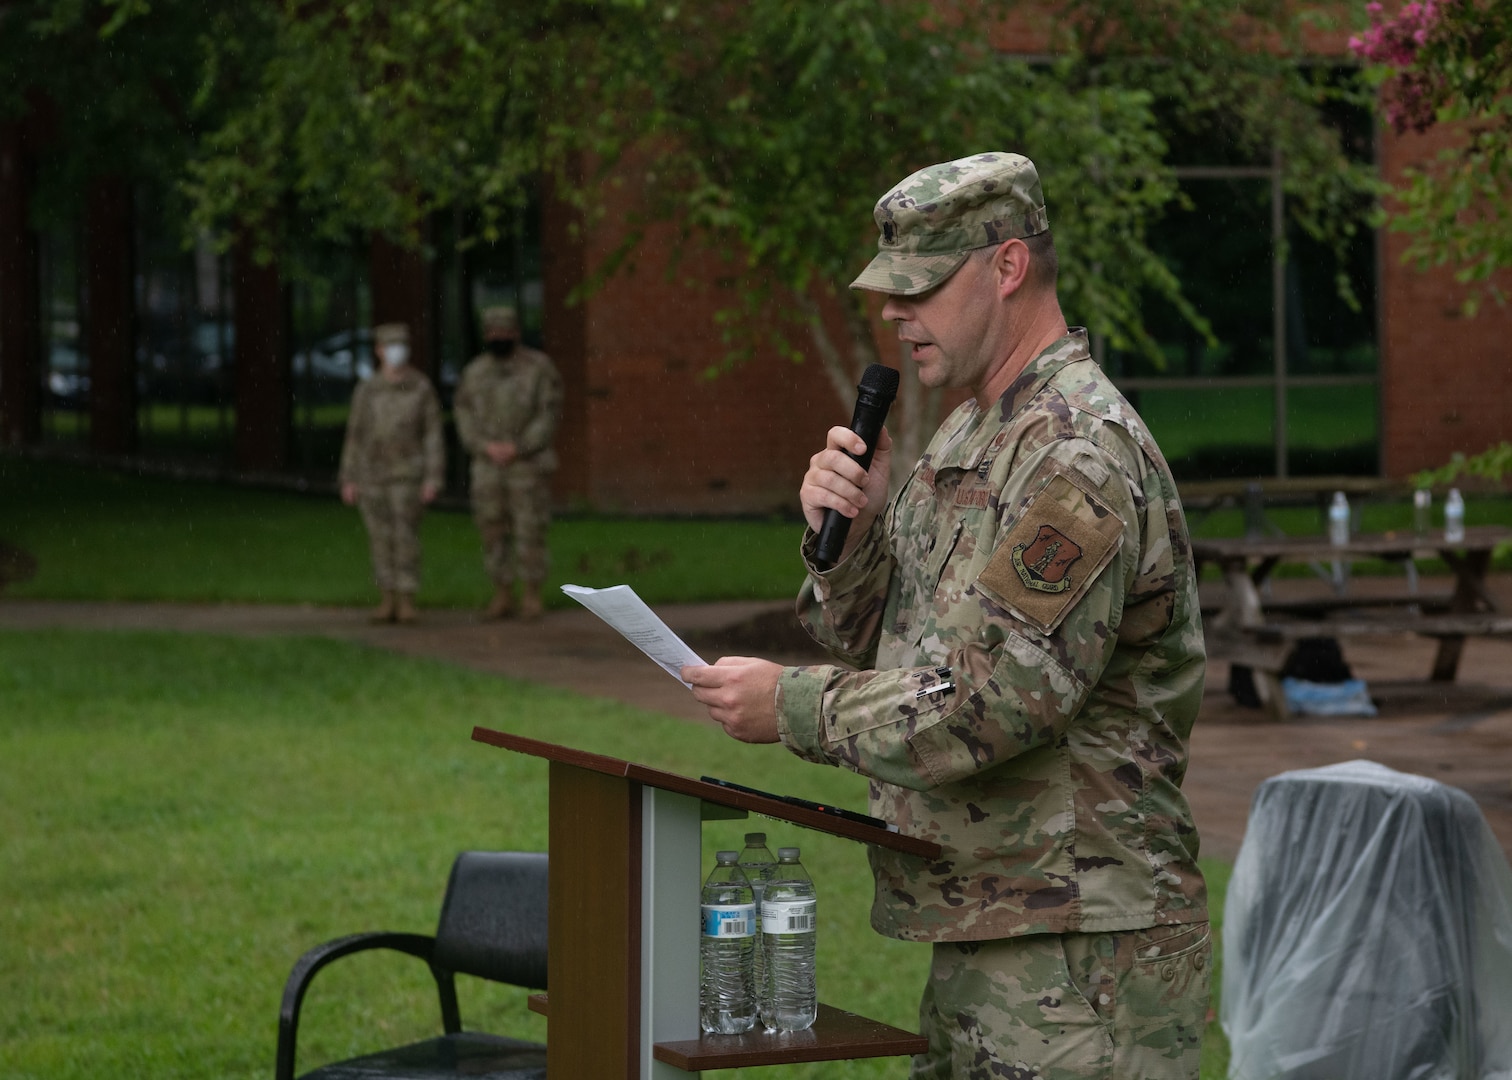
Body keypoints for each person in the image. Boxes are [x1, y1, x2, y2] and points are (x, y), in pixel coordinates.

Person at [682, 152, 1210, 1080]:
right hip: (1000, 917)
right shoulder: (975, 430)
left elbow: (993, 701)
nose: (894, 312)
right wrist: (851, 540)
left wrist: (792, 708)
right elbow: (902, 644)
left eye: (919, 286)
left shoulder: (1074, 450)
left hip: (1085, 948)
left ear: (1007, 268)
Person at [454, 304, 563, 621]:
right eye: (492, 331)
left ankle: (531, 595)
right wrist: (485, 446)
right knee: (491, 529)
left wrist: (519, 447)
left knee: (530, 529)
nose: (498, 336)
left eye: (505, 331)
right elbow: (463, 415)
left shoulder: (539, 368)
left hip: (527, 466)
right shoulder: (474, 373)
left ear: (516, 332)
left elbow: (549, 413)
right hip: (487, 466)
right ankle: (501, 593)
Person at [338, 321, 444, 624]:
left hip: (407, 475)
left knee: (405, 537)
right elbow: (355, 435)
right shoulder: (367, 389)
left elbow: (432, 435)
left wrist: (432, 478)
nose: (397, 351)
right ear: (379, 350)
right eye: (390, 345)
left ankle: (407, 598)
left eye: (401, 345)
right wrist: (349, 477)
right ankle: (387, 598)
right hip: (372, 476)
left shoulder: (420, 387)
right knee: (380, 538)